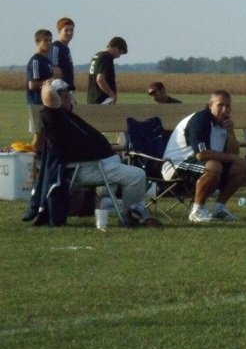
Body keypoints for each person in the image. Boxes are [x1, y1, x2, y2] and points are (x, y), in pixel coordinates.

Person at [38, 79, 161, 227]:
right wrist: (47, 86)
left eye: (68, 93)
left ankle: (126, 209)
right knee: (137, 175)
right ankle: (131, 213)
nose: (68, 96)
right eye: (62, 94)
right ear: (54, 98)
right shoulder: (54, 117)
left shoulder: (66, 115)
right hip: (88, 168)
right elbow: (49, 99)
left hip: (100, 164)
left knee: (135, 174)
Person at [162, 90, 246, 222]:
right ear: (210, 105)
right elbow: (201, 154)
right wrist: (232, 158)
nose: (224, 110)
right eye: (220, 105)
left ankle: (218, 207)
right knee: (213, 166)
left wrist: (231, 133)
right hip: (175, 166)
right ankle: (197, 210)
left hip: (203, 166)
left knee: (242, 167)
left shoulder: (223, 123)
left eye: (227, 106)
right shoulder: (200, 120)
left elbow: (232, 153)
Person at [26, 29, 56, 145]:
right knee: (38, 137)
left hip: (47, 103)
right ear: (38, 41)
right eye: (45, 40)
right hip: (37, 103)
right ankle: (30, 157)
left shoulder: (47, 60)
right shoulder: (36, 60)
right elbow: (32, 84)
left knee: (45, 137)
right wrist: (50, 81)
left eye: (50, 40)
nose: (48, 43)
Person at [87, 37, 127, 104]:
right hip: (102, 99)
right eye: (120, 53)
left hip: (92, 98)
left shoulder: (97, 55)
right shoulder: (107, 57)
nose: (119, 56)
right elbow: (100, 79)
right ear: (116, 48)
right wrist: (112, 95)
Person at [49, 18, 75, 94]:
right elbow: (54, 69)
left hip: (68, 90)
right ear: (59, 31)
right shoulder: (56, 47)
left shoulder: (66, 48)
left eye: (71, 30)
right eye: (66, 30)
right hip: (60, 91)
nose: (69, 33)